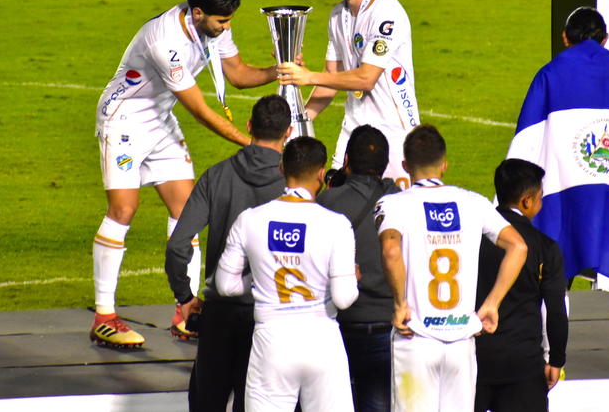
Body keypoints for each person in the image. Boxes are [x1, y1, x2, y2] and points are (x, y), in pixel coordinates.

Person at [91, 0, 278, 348]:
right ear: (196, 12)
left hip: (160, 119)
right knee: (124, 209)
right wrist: (254, 144)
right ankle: (104, 315)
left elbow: (238, 75)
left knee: (186, 209)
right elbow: (200, 111)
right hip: (124, 120)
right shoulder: (165, 41)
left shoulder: (213, 25)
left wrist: (281, 71)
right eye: (221, 21)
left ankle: (187, 310)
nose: (226, 28)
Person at [506, 6, 609, 375]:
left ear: (565, 38)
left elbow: (528, 137)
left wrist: (507, 201)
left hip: (566, 194)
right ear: (605, 39)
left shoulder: (550, 74)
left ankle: (554, 359)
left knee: (555, 271)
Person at [375, 124, 528, 411]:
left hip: (416, 339)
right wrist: (492, 303)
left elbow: (391, 249)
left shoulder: (393, 204)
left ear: (406, 165)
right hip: (461, 341)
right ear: (444, 165)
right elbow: (518, 247)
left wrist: (399, 303)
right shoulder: (473, 202)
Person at [164, 95, 292, 410]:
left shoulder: (217, 175)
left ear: (249, 126)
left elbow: (178, 245)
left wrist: (185, 298)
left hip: (219, 314)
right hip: (269, 318)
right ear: (288, 132)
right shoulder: (292, 186)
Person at [215, 136, 358, 412]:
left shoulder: (250, 219)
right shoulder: (336, 225)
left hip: (272, 341)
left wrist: (256, 282)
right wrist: (353, 278)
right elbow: (343, 298)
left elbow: (226, 285)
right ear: (320, 173)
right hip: (322, 339)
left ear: (282, 168)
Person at [276, 0, 419, 189]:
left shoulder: (387, 12)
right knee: (337, 205)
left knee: (391, 217)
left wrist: (308, 76)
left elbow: (366, 78)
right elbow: (330, 81)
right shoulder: (337, 16)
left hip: (393, 136)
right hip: (353, 131)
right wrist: (297, 123)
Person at [317, 125, 400, 412]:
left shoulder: (327, 202)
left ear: (347, 160)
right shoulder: (400, 200)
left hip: (340, 326)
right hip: (386, 326)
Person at [475, 159, 567, 412]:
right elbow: (556, 310)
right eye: (540, 197)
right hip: (522, 364)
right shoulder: (544, 246)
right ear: (527, 201)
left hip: (473, 359)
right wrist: (556, 359)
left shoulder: (472, 238)